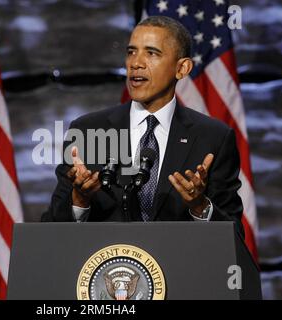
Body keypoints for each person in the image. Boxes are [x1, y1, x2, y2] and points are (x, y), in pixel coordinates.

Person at [41, 16, 244, 238]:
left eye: (151, 53)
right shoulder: (88, 131)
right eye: (131, 52)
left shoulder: (213, 138)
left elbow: (234, 236)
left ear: (182, 68)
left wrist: (199, 206)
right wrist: (79, 200)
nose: (135, 63)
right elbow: (51, 229)